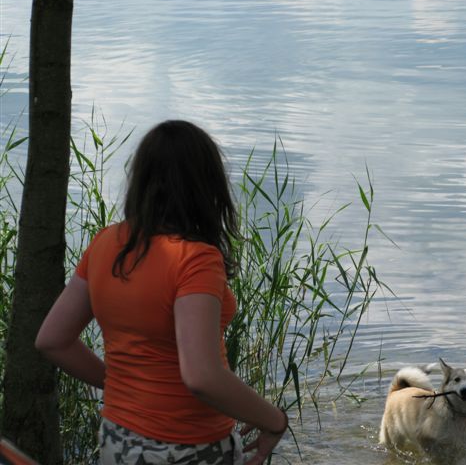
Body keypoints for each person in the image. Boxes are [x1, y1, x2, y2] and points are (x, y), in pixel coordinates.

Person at [35, 120, 288, 465]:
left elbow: (52, 339)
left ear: (140, 180)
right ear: (206, 185)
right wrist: (273, 420)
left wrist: (120, 384)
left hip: (118, 437)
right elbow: (201, 376)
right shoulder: (194, 258)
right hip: (188, 447)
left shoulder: (106, 243)